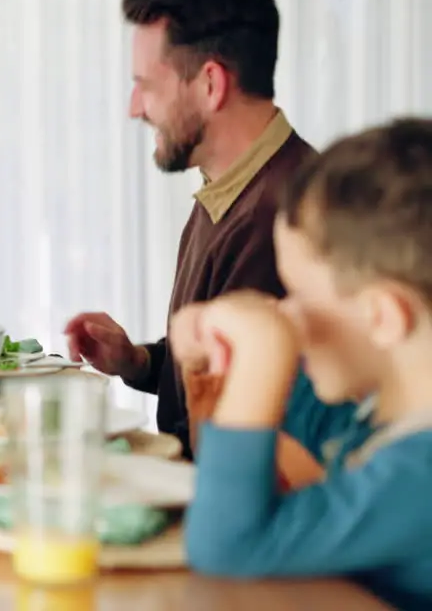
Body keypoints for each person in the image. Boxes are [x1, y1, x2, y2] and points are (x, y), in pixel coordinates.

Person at [169, 118, 432, 611]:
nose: (287, 314)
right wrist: (219, 353)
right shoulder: (375, 418)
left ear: (382, 317)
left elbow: (226, 546)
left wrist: (265, 353)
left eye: (301, 296)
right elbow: (300, 411)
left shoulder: (419, 476)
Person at [63, 0, 316, 456]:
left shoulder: (290, 218)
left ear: (210, 85)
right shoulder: (231, 191)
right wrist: (137, 361)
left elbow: (240, 419)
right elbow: (216, 370)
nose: (135, 108)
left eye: (147, 86)